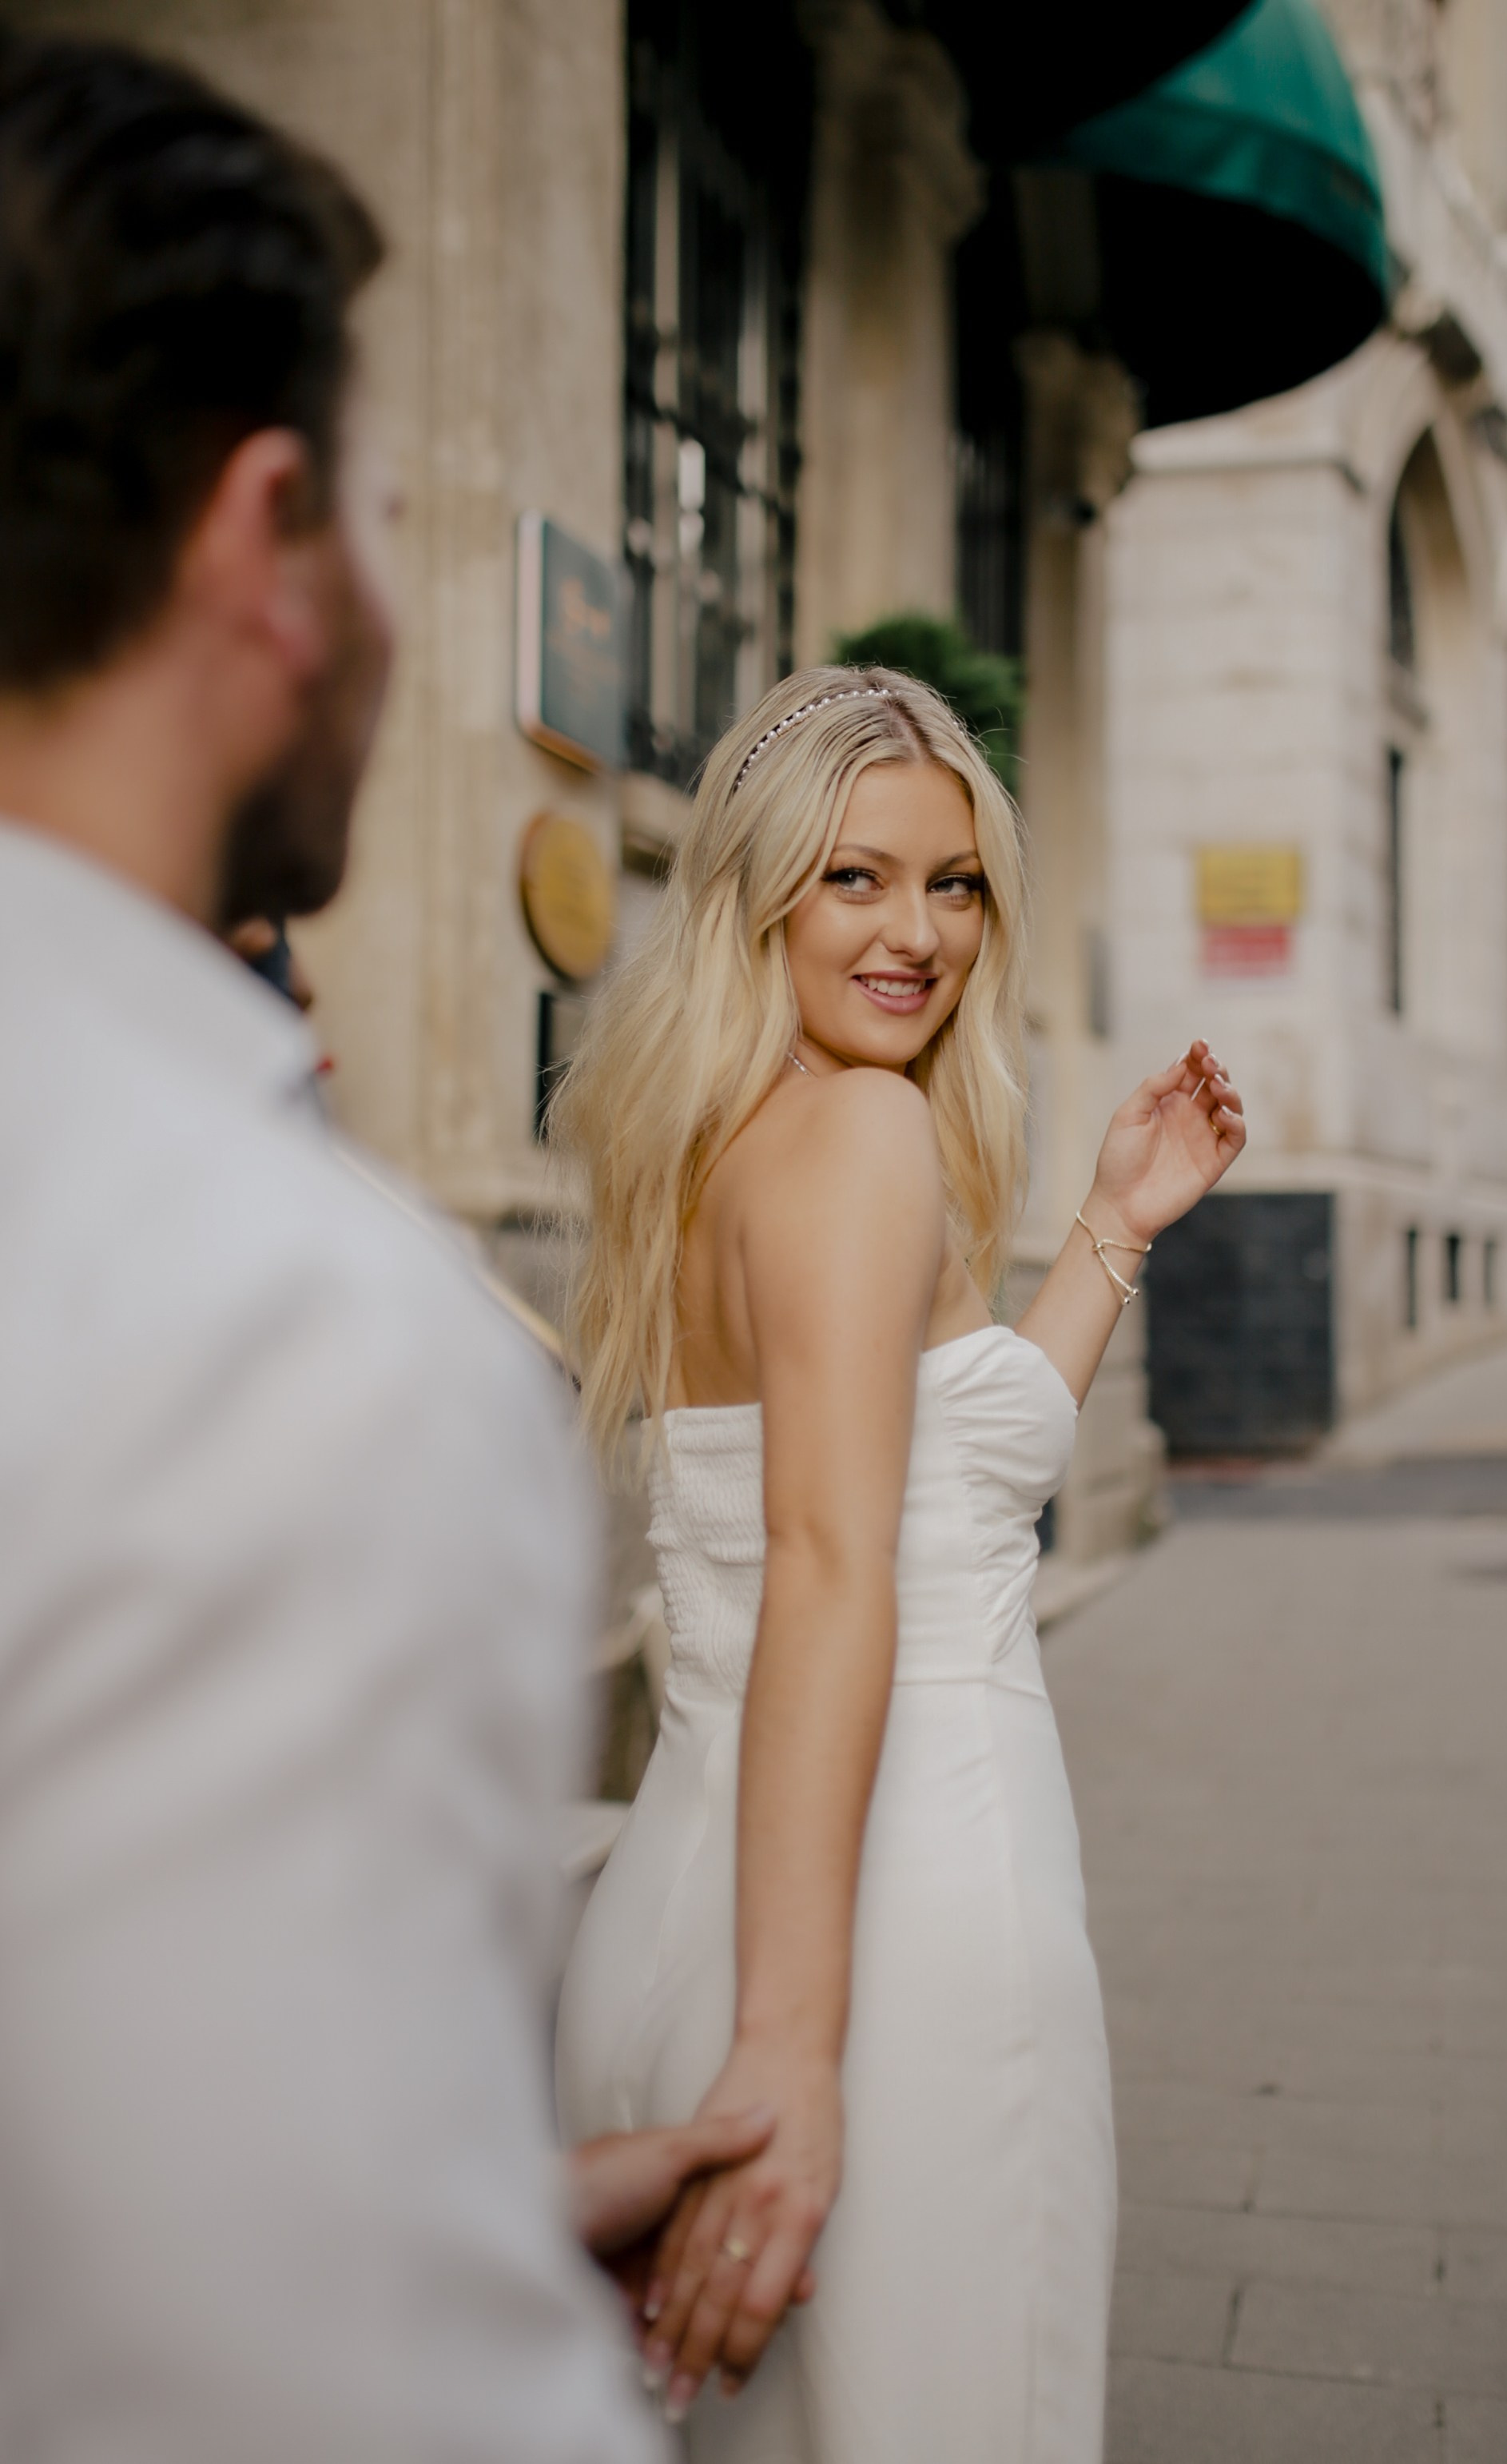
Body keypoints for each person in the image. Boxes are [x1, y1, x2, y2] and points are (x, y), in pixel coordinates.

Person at [0, 34, 760, 2461]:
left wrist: (476, 2189)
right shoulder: (299, 1335)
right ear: (264, 544)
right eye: (393, 518)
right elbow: (311, 2392)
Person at [551, 668, 1247, 2458]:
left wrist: (1108, 1228)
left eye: (953, 884)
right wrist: (792, 2055)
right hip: (892, 1924)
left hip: (670, 1917)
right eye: (855, 878)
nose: (918, 933)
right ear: (756, 888)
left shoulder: (714, 1146)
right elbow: (834, 1564)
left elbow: (944, 1481)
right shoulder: (859, 1136)